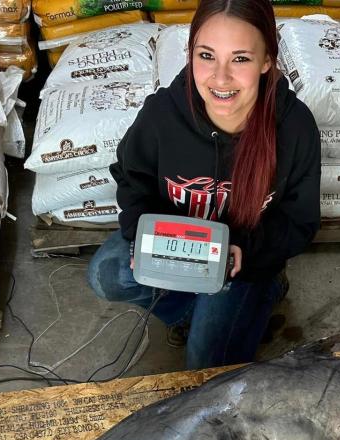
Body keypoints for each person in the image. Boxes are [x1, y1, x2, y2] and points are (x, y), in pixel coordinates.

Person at [86, 0, 321, 370]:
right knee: (107, 274)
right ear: (190, 54)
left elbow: (300, 219)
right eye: (207, 56)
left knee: (205, 367)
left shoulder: (294, 128)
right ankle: (190, 314)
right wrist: (140, 237)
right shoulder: (163, 114)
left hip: (242, 262)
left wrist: (247, 250)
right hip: (177, 242)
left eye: (240, 59)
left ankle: (264, 292)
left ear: (266, 62)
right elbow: (133, 179)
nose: (221, 78)